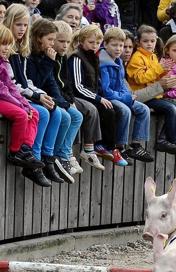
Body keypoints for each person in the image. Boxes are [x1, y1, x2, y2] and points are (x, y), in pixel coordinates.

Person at [5, 4, 59, 186]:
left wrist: (42, 95)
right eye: (18, 24)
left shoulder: (22, 48)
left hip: (21, 94)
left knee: (57, 112)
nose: (22, 29)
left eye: (25, 25)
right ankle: (32, 161)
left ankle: (46, 158)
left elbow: (26, 80)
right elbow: (12, 84)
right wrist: (35, 98)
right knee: (41, 112)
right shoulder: (6, 47)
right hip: (11, 95)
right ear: (9, 22)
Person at [26, 18, 84, 184]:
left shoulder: (53, 56)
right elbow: (36, 82)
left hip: (46, 96)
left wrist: (66, 101)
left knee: (73, 115)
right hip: (33, 96)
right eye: (51, 39)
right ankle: (42, 158)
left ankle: (53, 156)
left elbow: (57, 83)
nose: (54, 44)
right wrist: (49, 62)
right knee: (57, 115)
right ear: (39, 38)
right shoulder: (34, 56)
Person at [126, 25, 176, 155]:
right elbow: (140, 78)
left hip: (154, 95)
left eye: (152, 41)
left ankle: (165, 140)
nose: (149, 44)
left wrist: (172, 78)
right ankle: (173, 141)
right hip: (143, 96)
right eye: (146, 41)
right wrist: (160, 69)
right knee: (171, 108)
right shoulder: (137, 57)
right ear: (138, 42)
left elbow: (156, 76)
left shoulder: (153, 56)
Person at [68, 25, 123, 165]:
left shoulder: (94, 57)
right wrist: (98, 98)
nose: (94, 46)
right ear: (82, 41)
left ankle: (109, 147)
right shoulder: (76, 57)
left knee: (112, 110)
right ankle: (93, 147)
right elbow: (78, 86)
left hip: (90, 95)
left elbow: (96, 83)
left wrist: (101, 97)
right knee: (100, 109)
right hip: (77, 96)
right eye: (91, 42)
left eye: (97, 43)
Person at [99, 27, 155, 164]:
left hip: (120, 95)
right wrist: (126, 98)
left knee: (144, 109)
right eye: (114, 45)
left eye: (121, 45)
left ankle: (135, 145)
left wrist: (128, 95)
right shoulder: (103, 63)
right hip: (108, 98)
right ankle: (120, 146)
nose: (119, 49)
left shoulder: (118, 61)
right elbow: (106, 91)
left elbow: (122, 84)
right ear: (105, 44)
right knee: (125, 111)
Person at [53, 20, 101, 174]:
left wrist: (69, 100)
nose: (65, 45)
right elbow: (74, 86)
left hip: (66, 96)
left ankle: (97, 148)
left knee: (108, 109)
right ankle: (61, 154)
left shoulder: (91, 56)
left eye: (67, 42)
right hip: (58, 97)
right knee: (86, 110)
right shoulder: (75, 57)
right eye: (61, 41)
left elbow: (64, 83)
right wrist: (68, 100)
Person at [0, 24, 43, 170]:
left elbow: (12, 86)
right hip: (1, 98)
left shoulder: (5, 62)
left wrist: (25, 103)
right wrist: (20, 106)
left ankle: (26, 149)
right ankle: (14, 152)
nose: (6, 48)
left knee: (34, 112)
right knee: (21, 115)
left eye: (8, 44)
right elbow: (2, 90)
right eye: (2, 44)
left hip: (6, 97)